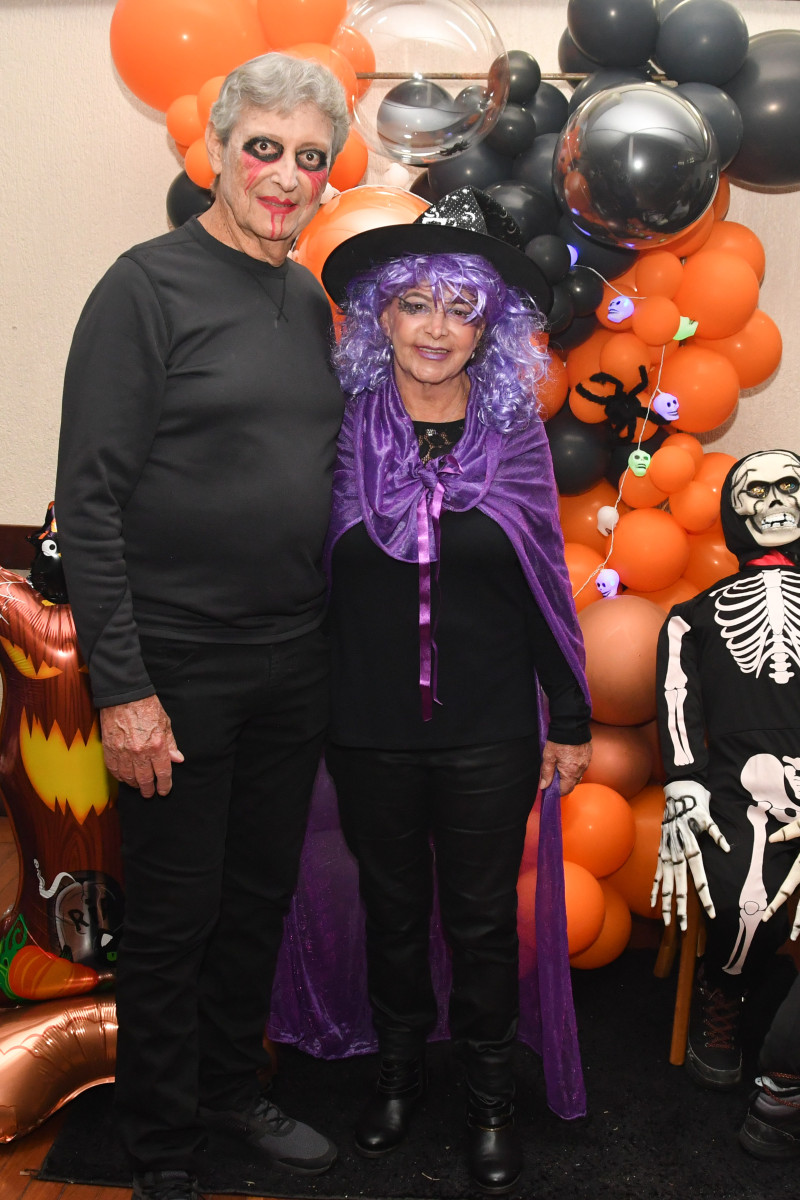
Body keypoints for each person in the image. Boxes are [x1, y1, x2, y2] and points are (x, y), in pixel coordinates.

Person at [54, 52, 350, 1200]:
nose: (282, 174)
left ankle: (230, 1091)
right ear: (217, 150)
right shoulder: (145, 287)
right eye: (262, 147)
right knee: (176, 918)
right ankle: (160, 1147)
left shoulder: (308, 299)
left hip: (292, 658)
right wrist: (125, 691)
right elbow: (88, 503)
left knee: (257, 899)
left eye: (308, 156)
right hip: (172, 666)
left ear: (327, 175)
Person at [319, 187, 593, 1196]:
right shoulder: (342, 430)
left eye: (461, 308)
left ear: (489, 326)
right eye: (415, 304)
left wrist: (570, 715)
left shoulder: (515, 434)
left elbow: (544, 580)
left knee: (479, 921)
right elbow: (303, 570)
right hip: (366, 723)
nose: (436, 329)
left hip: (488, 729)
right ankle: (397, 1078)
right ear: (381, 315)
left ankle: (487, 1099)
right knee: (392, 912)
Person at [653, 450, 800, 1092]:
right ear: (733, 512)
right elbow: (677, 704)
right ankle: (725, 992)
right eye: (756, 492)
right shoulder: (691, 617)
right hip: (739, 784)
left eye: (789, 487)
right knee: (743, 888)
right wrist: (684, 782)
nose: (775, 503)